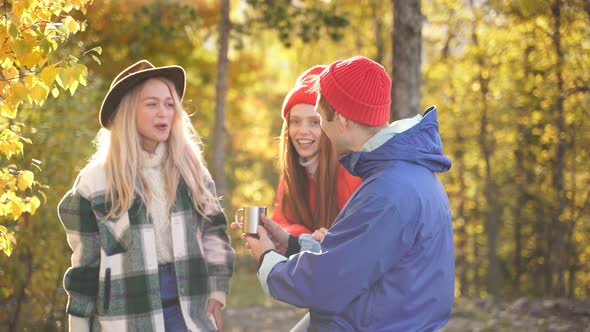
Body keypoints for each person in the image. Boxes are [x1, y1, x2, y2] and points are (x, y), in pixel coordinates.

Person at [240, 56, 455, 331]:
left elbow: (323, 284)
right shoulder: (403, 175)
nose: (319, 132)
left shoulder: (388, 192)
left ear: (340, 119)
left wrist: (266, 257)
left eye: (319, 119)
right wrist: (292, 245)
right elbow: (358, 256)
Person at [58, 60, 235, 332]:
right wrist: (79, 324)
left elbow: (215, 231)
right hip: (127, 315)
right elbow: (85, 266)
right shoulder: (95, 181)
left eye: (169, 104)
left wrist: (217, 290)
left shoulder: (190, 170)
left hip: (188, 310)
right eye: (152, 104)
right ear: (128, 112)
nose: (163, 113)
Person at [272, 65, 361, 237]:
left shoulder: (352, 171)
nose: (302, 131)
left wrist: (331, 238)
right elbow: (282, 222)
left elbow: (366, 233)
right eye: (295, 121)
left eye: (314, 122)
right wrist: (305, 237)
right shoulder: (292, 174)